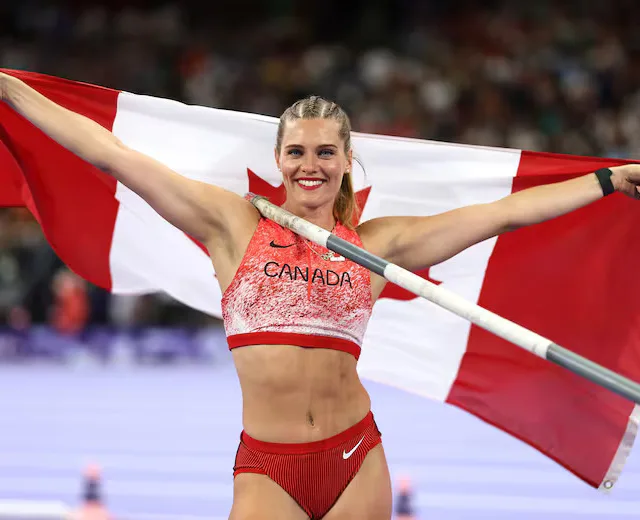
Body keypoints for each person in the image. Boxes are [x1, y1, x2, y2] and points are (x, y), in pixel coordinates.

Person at [2, 71, 640, 520]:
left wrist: (608, 179)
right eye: (298, 152)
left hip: (356, 454)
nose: (312, 164)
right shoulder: (233, 224)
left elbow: (501, 215)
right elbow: (113, 155)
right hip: (269, 462)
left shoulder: (377, 242)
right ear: (279, 159)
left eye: (326, 152)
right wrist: (9, 91)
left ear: (346, 160)